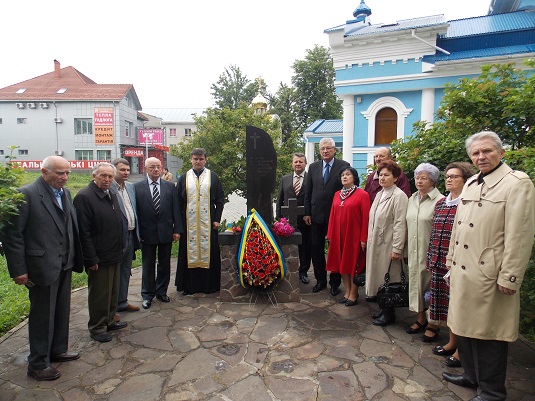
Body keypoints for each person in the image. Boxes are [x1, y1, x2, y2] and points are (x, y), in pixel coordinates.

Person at [442, 131, 534, 401]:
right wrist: (450, 262)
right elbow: (458, 229)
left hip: (490, 274)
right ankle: (471, 376)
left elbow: (520, 235)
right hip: (462, 270)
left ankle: (492, 392)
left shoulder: (516, 183)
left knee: (489, 335)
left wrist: (510, 276)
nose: (481, 156)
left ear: (501, 153)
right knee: (464, 328)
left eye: (487, 151)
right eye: (475, 153)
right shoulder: (470, 183)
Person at [1, 156, 83, 380]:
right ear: (44, 172)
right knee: (42, 316)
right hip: (41, 266)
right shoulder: (26, 195)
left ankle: (57, 350)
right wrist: (19, 269)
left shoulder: (65, 193)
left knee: (61, 310)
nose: (64, 177)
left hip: (65, 262)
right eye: (59, 173)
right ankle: (37, 363)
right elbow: (12, 236)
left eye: (67, 173)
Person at [428, 162, 475, 368]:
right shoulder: (441, 203)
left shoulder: (468, 203)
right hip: (438, 260)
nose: (449, 179)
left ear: (465, 180)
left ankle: (460, 351)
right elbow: (434, 231)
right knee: (445, 305)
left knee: (458, 307)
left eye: (454, 176)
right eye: (447, 176)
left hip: (457, 261)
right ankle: (451, 342)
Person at [74, 163, 126, 343]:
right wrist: (90, 258)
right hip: (99, 255)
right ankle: (97, 327)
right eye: (103, 176)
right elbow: (83, 231)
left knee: (112, 291)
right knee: (99, 294)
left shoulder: (110, 193)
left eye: (110, 176)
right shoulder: (84, 197)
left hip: (114, 252)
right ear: (93, 175)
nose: (107, 180)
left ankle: (110, 320)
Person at [304, 138, 350, 295]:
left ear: (334, 149)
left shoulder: (343, 166)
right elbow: (308, 191)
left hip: (336, 215)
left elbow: (346, 190)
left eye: (328, 148)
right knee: (316, 249)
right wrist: (307, 212)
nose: (325, 151)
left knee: (335, 249)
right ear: (319, 150)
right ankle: (321, 280)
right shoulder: (313, 167)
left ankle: (335, 283)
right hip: (316, 216)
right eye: (322, 148)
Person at [175, 148, 224, 294]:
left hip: (208, 224)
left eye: (201, 159)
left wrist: (217, 219)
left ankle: (210, 285)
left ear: (205, 160)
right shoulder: (183, 177)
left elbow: (220, 200)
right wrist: (178, 226)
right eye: (195, 159)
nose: (198, 161)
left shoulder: (213, 177)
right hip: (188, 224)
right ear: (191, 159)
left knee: (209, 253)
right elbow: (177, 203)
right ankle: (189, 286)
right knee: (188, 253)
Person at [365, 160, 408, 326]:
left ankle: (389, 313)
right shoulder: (380, 194)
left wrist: (397, 248)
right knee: (378, 276)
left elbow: (399, 223)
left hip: (388, 244)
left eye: (386, 175)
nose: (382, 178)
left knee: (387, 277)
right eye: (380, 175)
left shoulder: (399, 196)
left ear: (395, 177)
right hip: (376, 242)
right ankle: (383, 308)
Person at [134, 157, 181, 309]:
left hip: (166, 231)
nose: (155, 169)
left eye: (158, 167)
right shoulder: (137, 187)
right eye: (152, 167)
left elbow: (176, 210)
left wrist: (177, 230)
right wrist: (138, 232)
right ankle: (147, 295)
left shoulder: (170, 187)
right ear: (145, 169)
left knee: (164, 264)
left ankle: (161, 291)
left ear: (162, 168)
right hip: (147, 233)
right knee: (148, 264)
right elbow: (136, 213)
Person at [405, 163, 443, 341]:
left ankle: (433, 324)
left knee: (431, 289)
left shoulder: (440, 201)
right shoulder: (412, 198)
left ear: (433, 181)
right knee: (416, 285)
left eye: (424, 178)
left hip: (431, 252)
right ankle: (420, 318)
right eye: (417, 177)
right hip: (413, 250)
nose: (419, 181)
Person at [326, 167, 370, 305]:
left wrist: (364, 238)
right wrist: (330, 234)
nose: (344, 177)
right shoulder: (337, 194)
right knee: (341, 264)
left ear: (354, 177)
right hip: (339, 236)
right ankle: (347, 291)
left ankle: (354, 293)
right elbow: (332, 215)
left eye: (348, 174)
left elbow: (366, 218)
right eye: (343, 175)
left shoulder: (362, 195)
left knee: (353, 264)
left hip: (354, 236)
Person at [276, 153, 312, 284]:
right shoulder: (285, 179)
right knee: (286, 246)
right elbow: (280, 199)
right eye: (296, 162)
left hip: (305, 220)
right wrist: (278, 218)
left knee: (305, 247)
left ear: (305, 164)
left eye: (301, 162)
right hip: (287, 221)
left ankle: (303, 272)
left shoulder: (310, 179)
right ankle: (286, 270)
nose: (298, 164)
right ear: (292, 164)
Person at [111, 158, 140, 313]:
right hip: (116, 238)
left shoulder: (130, 187)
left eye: (128, 170)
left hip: (130, 234)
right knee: (113, 273)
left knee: (125, 270)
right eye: (122, 170)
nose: (126, 173)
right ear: (113, 170)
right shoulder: (108, 188)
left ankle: (122, 301)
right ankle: (111, 309)